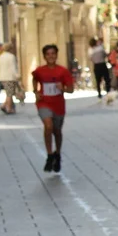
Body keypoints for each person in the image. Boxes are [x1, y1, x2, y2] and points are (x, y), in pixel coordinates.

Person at [31, 44, 74, 172]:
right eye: (48, 54)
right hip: (44, 103)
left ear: (56, 55)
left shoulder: (63, 71)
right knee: (48, 126)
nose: (51, 56)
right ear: (44, 56)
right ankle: (50, 155)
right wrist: (36, 91)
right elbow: (35, 79)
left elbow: (71, 89)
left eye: (53, 54)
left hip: (58, 105)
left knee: (57, 131)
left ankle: (58, 154)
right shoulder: (40, 70)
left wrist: (63, 88)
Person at [0, 42, 18, 114]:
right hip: (10, 77)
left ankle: (4, 106)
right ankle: (8, 108)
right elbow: (13, 68)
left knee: (8, 93)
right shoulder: (11, 56)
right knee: (10, 94)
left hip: (2, 77)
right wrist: (17, 76)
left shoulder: (1, 56)